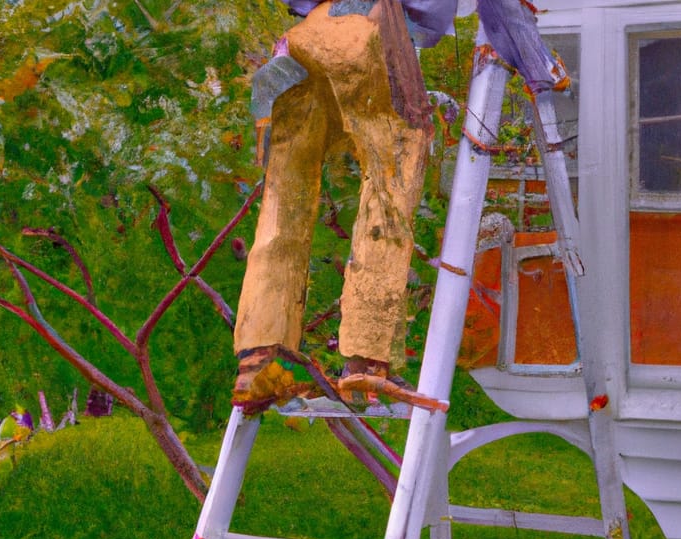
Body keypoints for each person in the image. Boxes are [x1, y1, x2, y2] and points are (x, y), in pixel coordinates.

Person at [231, 0, 568, 414]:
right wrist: (542, 68)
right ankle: (365, 360)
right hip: (367, 29)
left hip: (301, 42)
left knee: (286, 196)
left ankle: (258, 359)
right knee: (394, 171)